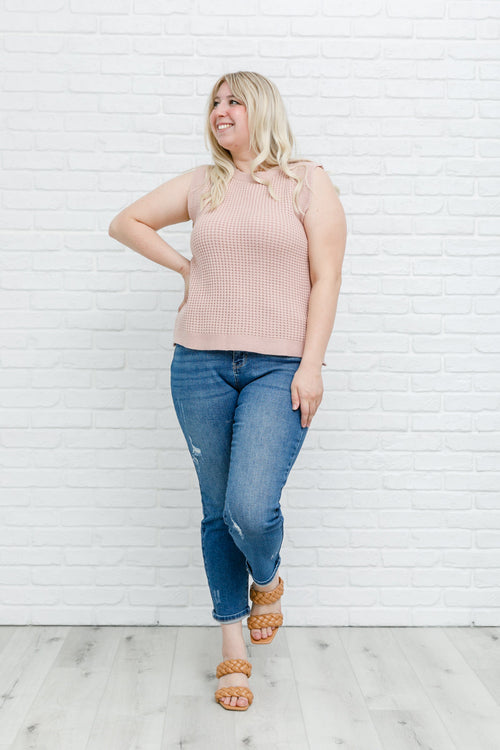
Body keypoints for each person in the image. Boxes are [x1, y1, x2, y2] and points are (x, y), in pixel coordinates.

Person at [108, 71, 346, 712]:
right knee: (217, 510)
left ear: (261, 110)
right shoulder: (203, 183)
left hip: (278, 368)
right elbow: (126, 222)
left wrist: (311, 365)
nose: (221, 110)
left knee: (251, 508)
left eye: (234, 101)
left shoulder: (307, 181)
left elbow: (326, 278)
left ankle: (267, 577)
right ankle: (231, 644)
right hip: (198, 364)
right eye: (215, 102)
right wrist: (186, 268)